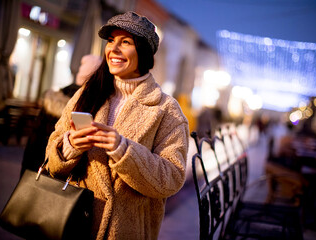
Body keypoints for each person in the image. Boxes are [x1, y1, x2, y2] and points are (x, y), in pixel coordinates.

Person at [45, 11, 189, 240]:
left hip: (126, 231)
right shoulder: (88, 92)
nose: (114, 49)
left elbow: (172, 177)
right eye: (111, 40)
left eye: (126, 42)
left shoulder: (166, 110)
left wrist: (123, 149)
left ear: (143, 52)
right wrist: (70, 146)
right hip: (74, 223)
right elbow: (52, 153)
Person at [20, 54, 101, 176]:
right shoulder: (92, 102)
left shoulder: (54, 97)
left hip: (39, 160)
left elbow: (35, 136)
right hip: (67, 172)